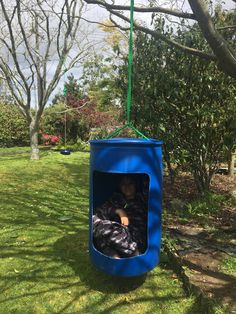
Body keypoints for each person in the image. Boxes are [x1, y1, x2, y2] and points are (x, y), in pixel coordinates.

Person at [93, 175, 148, 258]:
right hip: (117, 234)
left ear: (136, 185)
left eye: (130, 183)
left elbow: (148, 182)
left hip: (135, 238)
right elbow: (98, 212)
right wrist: (119, 211)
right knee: (97, 224)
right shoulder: (116, 199)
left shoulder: (142, 199)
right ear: (119, 186)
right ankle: (116, 259)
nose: (127, 186)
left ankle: (135, 253)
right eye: (123, 184)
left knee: (104, 232)